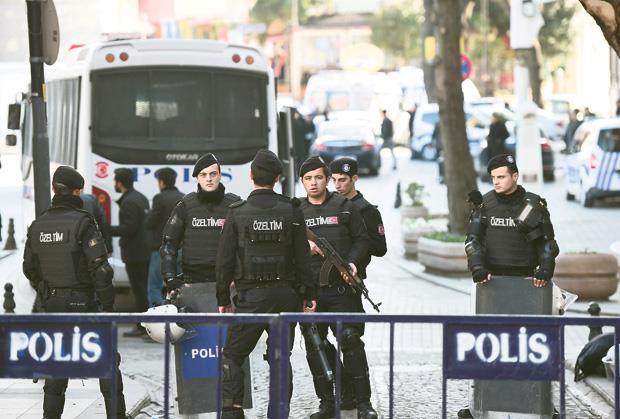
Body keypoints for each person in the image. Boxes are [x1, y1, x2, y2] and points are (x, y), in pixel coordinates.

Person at [216, 150, 316, 419]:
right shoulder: (291, 209)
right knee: (280, 358)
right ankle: (278, 414)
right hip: (286, 297)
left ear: (251, 175)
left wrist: (222, 298)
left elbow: (224, 260)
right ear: (278, 178)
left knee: (232, 356)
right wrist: (309, 295)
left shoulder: (237, 212)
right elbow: (303, 258)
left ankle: (233, 414)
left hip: (250, 299)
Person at [22, 166, 127, 419]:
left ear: (53, 189)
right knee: (107, 363)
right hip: (85, 304)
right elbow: (101, 271)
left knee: (57, 368)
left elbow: (29, 269)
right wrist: (108, 307)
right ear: (78, 192)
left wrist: (47, 291)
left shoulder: (37, 225)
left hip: (53, 305)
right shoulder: (83, 223)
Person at [461, 155, 560, 418]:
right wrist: (477, 267)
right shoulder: (485, 204)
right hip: (492, 284)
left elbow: (548, 243)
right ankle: (482, 403)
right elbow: (472, 241)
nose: (496, 182)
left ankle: (538, 404)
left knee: (530, 347)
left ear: (515, 176)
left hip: (528, 285)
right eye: (493, 177)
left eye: (502, 176)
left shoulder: (533, 204)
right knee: (489, 347)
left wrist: (545, 269)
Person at [298, 156, 377, 419]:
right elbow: (285, 247)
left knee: (351, 342)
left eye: (318, 177)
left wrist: (352, 263)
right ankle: (328, 401)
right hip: (311, 293)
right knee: (316, 346)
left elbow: (363, 240)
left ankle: (364, 403)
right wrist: (303, 246)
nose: (313, 183)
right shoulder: (296, 212)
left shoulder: (345, 207)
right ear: (302, 182)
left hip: (342, 290)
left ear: (327, 179)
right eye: (308, 178)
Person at [328, 157, 387, 410]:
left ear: (354, 179)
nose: (337, 185)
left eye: (343, 180)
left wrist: (356, 243)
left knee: (350, 340)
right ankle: (344, 391)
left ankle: (361, 398)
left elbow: (380, 248)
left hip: (350, 281)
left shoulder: (367, 210)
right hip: (323, 281)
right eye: (334, 180)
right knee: (317, 341)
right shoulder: (330, 206)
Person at [160, 153, 240, 291]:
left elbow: (246, 245)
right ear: (197, 178)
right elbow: (169, 244)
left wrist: (240, 278)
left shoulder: (234, 205)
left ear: (220, 176)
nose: (209, 179)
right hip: (192, 282)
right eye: (203, 175)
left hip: (227, 283)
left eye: (213, 174)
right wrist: (170, 278)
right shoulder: (185, 206)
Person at [110, 168, 150, 337]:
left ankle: (142, 327)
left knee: (139, 290)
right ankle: (145, 326)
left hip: (135, 252)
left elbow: (129, 228)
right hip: (144, 250)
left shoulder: (128, 202)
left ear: (120, 183)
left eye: (115, 181)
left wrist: (106, 229)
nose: (114, 184)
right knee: (143, 289)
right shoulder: (141, 197)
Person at [144, 167, 183, 307]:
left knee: (154, 286)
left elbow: (150, 222)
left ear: (161, 182)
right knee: (180, 286)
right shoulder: (184, 197)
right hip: (181, 249)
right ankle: (180, 313)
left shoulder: (159, 198)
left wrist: (147, 215)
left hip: (161, 250)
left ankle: (157, 315)